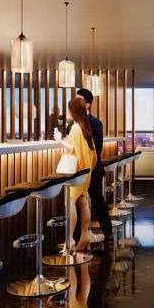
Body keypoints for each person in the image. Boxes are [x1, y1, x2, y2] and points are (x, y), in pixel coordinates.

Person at [54, 97, 99, 251]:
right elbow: (93, 155)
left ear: (73, 111)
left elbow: (72, 149)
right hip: (86, 172)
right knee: (82, 201)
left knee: (70, 202)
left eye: (69, 109)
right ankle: (85, 234)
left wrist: (59, 140)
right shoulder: (85, 128)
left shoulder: (75, 128)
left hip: (76, 172)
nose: (67, 112)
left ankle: (70, 238)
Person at [77, 88, 112, 248]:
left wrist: (87, 168)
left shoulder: (96, 123)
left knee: (98, 202)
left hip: (93, 170)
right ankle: (79, 237)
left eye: (79, 99)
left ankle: (108, 234)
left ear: (87, 104)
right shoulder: (74, 123)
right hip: (78, 171)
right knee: (78, 203)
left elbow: (97, 150)